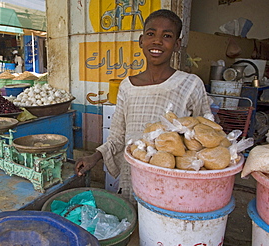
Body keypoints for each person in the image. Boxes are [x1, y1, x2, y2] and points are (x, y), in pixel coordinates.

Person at [75, 9, 212, 205]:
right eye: (151, 34)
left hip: (173, 182)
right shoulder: (127, 87)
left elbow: (205, 137)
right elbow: (117, 138)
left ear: (177, 44)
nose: (157, 41)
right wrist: (94, 157)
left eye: (167, 36)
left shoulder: (190, 84)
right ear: (141, 41)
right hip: (133, 179)